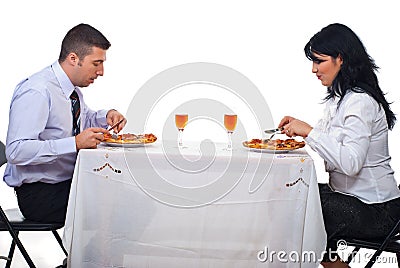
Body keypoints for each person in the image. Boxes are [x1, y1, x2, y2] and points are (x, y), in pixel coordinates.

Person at [278, 23, 400, 267]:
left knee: (303, 206)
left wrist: (309, 131)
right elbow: (331, 142)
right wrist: (301, 129)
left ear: (340, 59)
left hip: (377, 210)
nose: (313, 69)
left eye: (319, 61)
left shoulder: (360, 101)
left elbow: (350, 163)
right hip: (350, 198)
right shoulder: (340, 98)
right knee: (292, 192)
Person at [3, 23, 126, 224]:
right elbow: (16, 151)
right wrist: (75, 143)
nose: (102, 71)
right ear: (73, 59)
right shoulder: (37, 91)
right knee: (121, 205)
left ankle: (96, 255)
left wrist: (107, 116)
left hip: (66, 183)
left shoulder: (72, 91)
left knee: (128, 190)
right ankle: (91, 256)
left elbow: (81, 120)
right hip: (40, 195)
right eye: (96, 63)